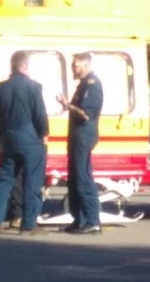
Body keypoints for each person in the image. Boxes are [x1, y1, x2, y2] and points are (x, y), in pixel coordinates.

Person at [0, 51, 49, 236]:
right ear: (25, 66)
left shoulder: (0, 88)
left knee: (4, 181)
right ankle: (28, 224)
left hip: (8, 140)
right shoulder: (33, 87)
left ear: (12, 66)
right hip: (31, 140)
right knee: (32, 181)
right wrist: (44, 134)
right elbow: (40, 115)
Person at [56, 52, 104, 234]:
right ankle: (79, 219)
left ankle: (92, 221)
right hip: (77, 136)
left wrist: (67, 105)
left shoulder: (92, 85)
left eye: (75, 66)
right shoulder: (83, 85)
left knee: (83, 178)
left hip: (84, 136)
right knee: (74, 177)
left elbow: (86, 114)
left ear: (85, 65)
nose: (73, 69)